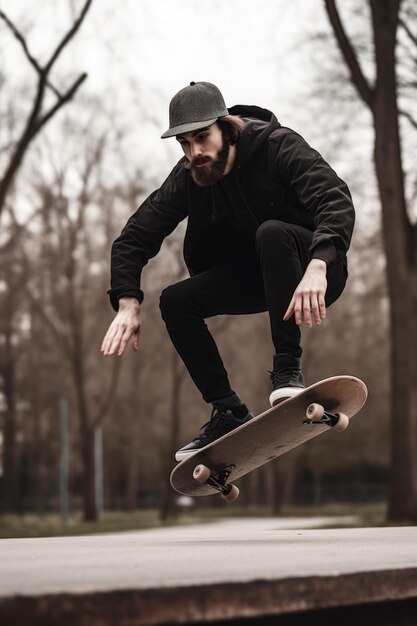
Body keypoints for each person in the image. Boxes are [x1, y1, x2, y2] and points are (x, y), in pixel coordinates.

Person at [101, 81, 355, 462]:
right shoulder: (189, 174)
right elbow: (136, 234)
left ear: (227, 127)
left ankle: (286, 370)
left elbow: (333, 196)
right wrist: (126, 301)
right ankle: (227, 411)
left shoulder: (276, 146)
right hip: (256, 277)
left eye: (203, 138)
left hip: (313, 269)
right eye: (185, 144)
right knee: (175, 301)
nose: (196, 152)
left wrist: (319, 263)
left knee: (272, 233)